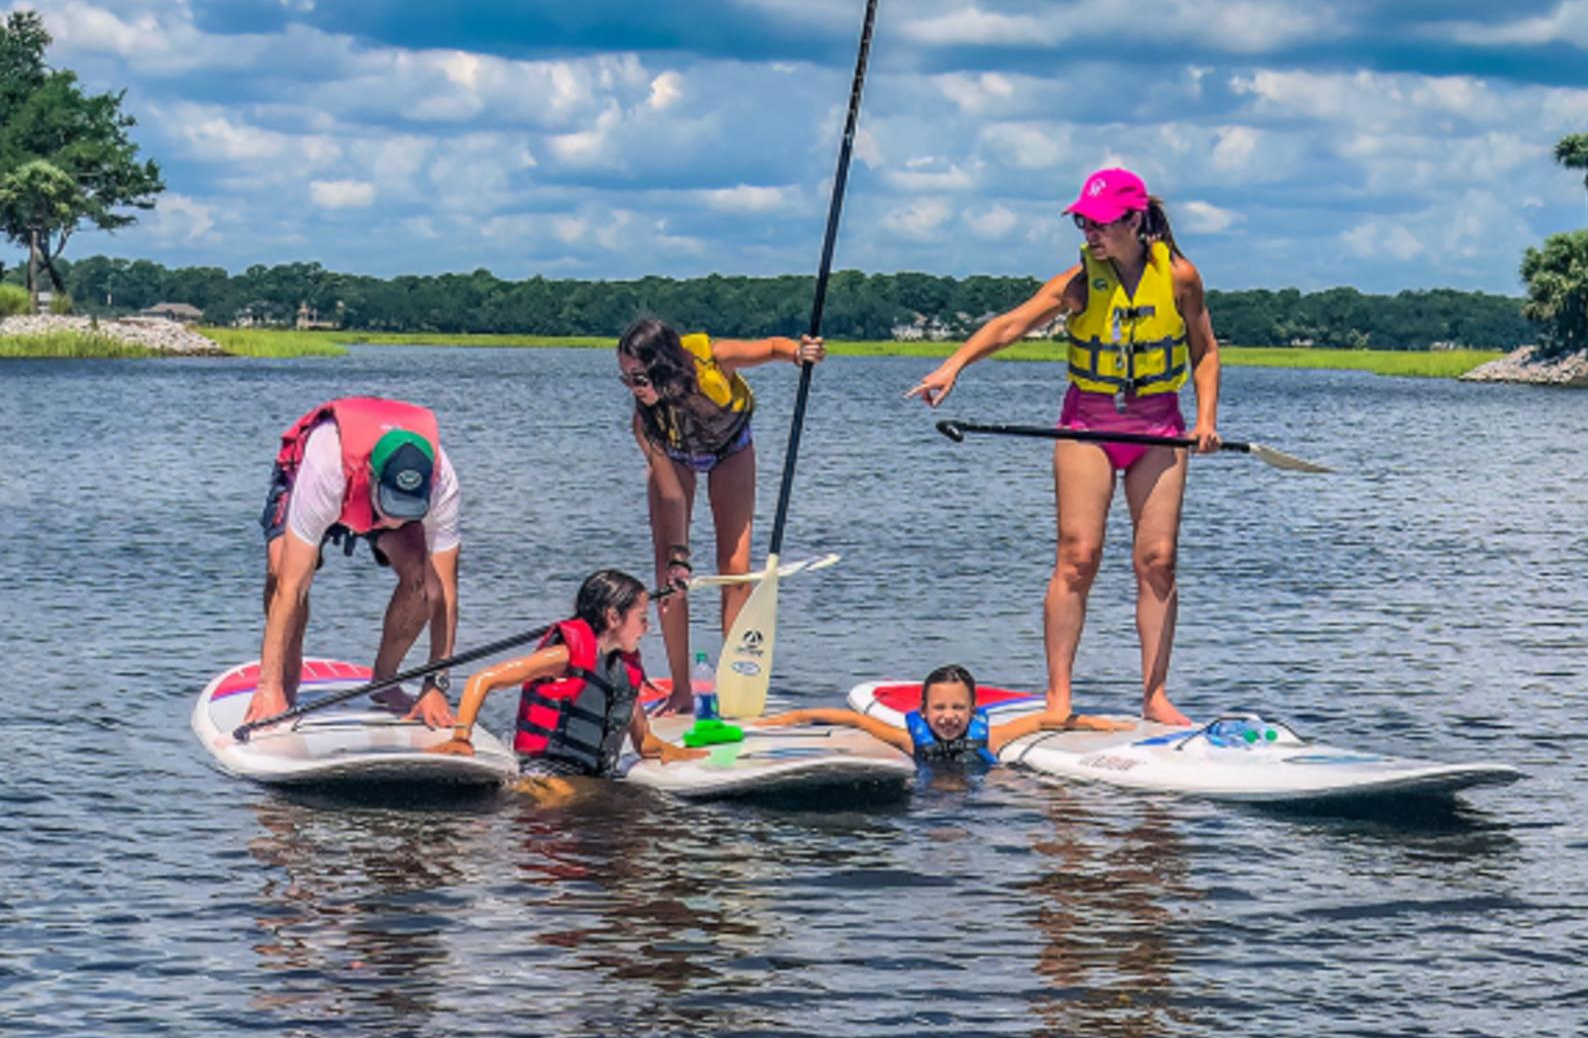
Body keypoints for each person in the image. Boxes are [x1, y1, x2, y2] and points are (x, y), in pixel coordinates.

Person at [907, 169, 1220, 725]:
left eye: (1099, 223)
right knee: (1078, 556)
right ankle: (1059, 697)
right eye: (1082, 223)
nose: (1089, 233)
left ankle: (1154, 696)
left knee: (1158, 561)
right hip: (1088, 426)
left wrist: (1207, 420)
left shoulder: (1179, 276)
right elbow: (1010, 326)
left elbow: (1205, 350)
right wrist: (952, 366)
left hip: (1158, 428)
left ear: (1134, 221)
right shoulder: (1076, 282)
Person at [617, 316, 825, 712]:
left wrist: (800, 353)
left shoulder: (714, 357)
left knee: (735, 568)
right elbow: (672, 495)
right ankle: (681, 690)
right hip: (677, 457)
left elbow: (771, 348)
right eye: (625, 379)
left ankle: (735, 682)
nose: (633, 388)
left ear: (663, 365)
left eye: (638, 378)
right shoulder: (646, 423)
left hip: (731, 450)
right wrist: (679, 556)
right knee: (668, 576)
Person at [244, 396, 462, 731]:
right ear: (371, 476)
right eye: (392, 506)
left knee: (422, 579)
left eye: (407, 509)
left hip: (371, 493)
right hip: (309, 481)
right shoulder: (324, 469)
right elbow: (292, 586)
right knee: (281, 571)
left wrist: (436, 685)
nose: (395, 520)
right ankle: (284, 682)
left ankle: (385, 682)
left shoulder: (442, 483)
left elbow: (444, 591)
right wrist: (268, 688)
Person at [439, 570, 703, 777]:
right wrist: (461, 738)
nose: (647, 627)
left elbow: (644, 742)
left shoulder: (621, 671)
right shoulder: (564, 657)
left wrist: (687, 756)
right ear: (613, 617)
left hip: (590, 776)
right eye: (642, 618)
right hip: (543, 774)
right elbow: (482, 679)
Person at [758, 664, 1122, 775]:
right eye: (940, 709)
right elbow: (853, 721)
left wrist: (1095, 723)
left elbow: (1041, 722)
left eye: (958, 709)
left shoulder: (990, 737)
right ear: (923, 712)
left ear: (973, 711)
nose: (949, 717)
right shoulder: (909, 739)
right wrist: (795, 716)